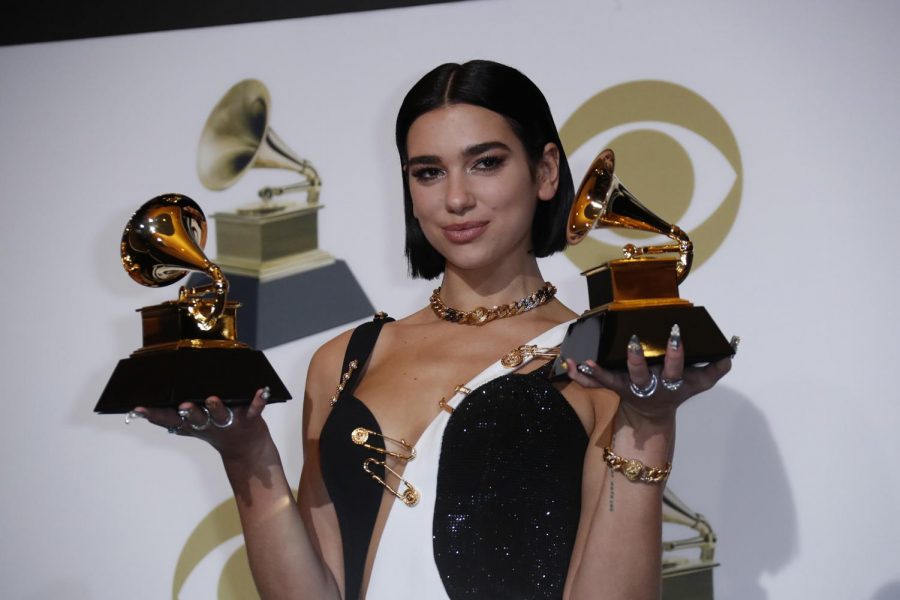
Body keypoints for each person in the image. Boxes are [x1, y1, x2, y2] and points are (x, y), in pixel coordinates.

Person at [130, 60, 732, 599]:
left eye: (486, 163)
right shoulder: (343, 360)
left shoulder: (594, 358)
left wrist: (648, 428)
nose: (456, 198)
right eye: (428, 172)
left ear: (546, 171)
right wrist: (247, 455)